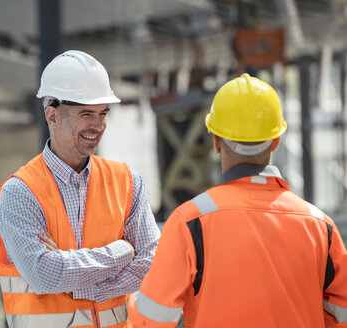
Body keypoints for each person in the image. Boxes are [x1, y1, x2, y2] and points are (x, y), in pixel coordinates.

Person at [129, 73, 347, 327]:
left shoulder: (190, 222)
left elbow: (150, 320)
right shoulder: (321, 226)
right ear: (275, 141)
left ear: (217, 142)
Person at [0, 50, 161, 328]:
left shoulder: (128, 182)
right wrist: (122, 251)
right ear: (52, 116)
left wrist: (85, 287)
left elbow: (152, 264)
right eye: (86, 114)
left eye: (103, 114)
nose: (98, 125)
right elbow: (43, 275)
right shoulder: (20, 193)